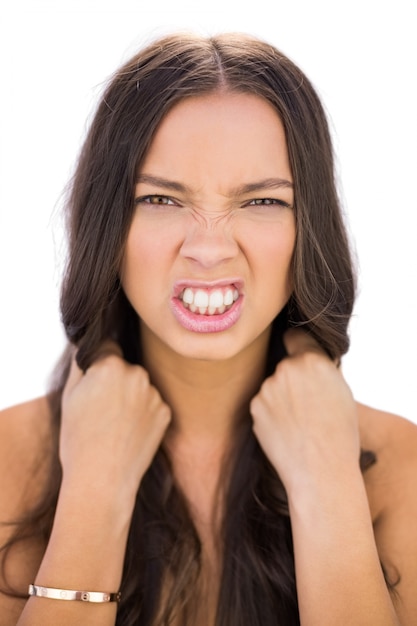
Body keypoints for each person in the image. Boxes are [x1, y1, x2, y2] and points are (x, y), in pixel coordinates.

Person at [0, 31, 416, 626]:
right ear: (106, 226)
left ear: (311, 227)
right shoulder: (8, 461)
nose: (209, 249)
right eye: (162, 200)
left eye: (262, 202)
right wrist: (94, 489)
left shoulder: (402, 465)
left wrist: (326, 482)